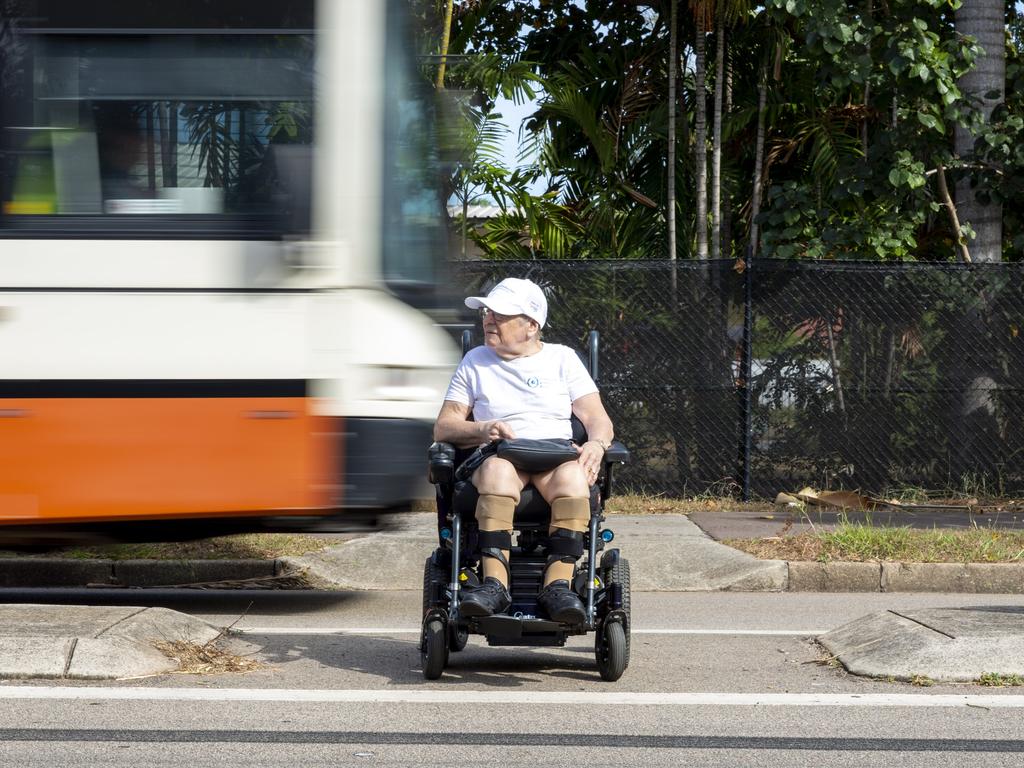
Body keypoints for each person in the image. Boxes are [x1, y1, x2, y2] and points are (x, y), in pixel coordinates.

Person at [433, 277, 614, 624]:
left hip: (555, 454)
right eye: (487, 313)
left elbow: (597, 418)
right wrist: (481, 429)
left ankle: (557, 586)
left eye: (499, 315)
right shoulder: (475, 361)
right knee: (499, 472)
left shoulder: (563, 359)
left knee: (576, 480)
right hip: (500, 455)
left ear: (531, 325)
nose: (488, 319)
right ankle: (494, 585)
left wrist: (596, 443)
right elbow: (444, 426)